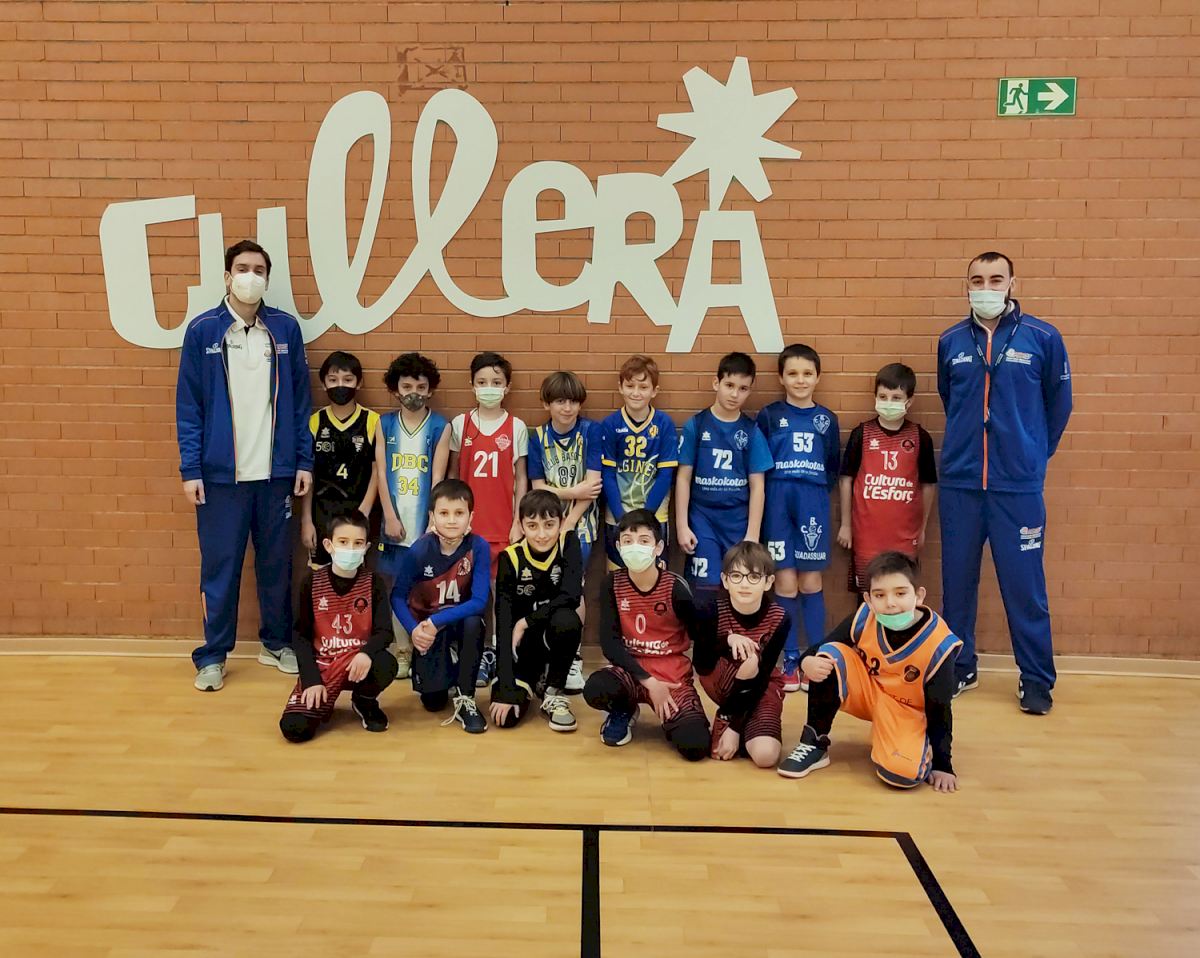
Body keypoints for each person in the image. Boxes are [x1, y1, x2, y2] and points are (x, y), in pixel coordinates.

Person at [937, 252, 1072, 714]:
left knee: (1024, 587)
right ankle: (960, 667)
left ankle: (1035, 679)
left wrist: (1032, 454)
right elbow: (951, 399)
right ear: (966, 285)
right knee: (956, 584)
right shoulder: (951, 341)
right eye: (977, 280)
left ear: (1013, 283)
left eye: (996, 279)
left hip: (1018, 488)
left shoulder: (1043, 337)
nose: (986, 288)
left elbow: (1059, 405)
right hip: (960, 484)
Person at [175, 239, 313, 692]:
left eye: (259, 270)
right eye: (242, 268)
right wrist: (191, 470)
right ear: (227, 276)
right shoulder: (203, 331)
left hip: (276, 475)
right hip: (220, 479)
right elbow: (189, 407)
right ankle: (213, 656)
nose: (250, 276)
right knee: (221, 568)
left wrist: (302, 461)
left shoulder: (285, 329)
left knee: (277, 566)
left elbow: (301, 403)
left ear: (267, 279)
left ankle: (276, 643)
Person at [777, 551, 962, 792]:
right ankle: (814, 743)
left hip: (905, 710)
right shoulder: (865, 617)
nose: (890, 603)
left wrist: (943, 764)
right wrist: (806, 662)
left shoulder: (939, 644)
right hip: (868, 693)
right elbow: (823, 645)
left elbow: (940, 708)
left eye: (900, 593)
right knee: (828, 654)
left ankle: (906, 740)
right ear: (869, 599)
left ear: (918, 596)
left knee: (902, 776)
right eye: (880, 595)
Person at [582, 509, 710, 761]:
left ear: (658, 547)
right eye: (628, 541)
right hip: (632, 671)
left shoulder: (675, 587)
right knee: (596, 687)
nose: (635, 547)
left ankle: (673, 718)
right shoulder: (612, 583)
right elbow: (610, 644)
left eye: (643, 540)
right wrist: (649, 682)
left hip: (671, 676)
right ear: (618, 547)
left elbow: (702, 633)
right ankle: (625, 709)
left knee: (694, 744)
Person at [756, 343, 840, 693]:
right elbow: (759, 464)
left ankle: (816, 656)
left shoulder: (827, 419)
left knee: (810, 582)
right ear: (781, 377)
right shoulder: (769, 415)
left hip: (812, 501)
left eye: (807, 373)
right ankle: (790, 658)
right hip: (777, 500)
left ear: (818, 377)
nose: (800, 380)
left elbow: (832, 466)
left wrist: (814, 494)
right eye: (792, 373)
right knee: (785, 583)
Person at [279, 511, 398, 742]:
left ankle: (364, 700)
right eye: (343, 542)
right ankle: (323, 699)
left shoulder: (373, 583)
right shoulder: (311, 582)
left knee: (386, 663)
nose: (350, 549)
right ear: (329, 545)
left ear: (366, 547)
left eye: (358, 543)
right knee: (294, 729)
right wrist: (311, 681)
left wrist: (366, 653)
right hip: (323, 665)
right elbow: (300, 636)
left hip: (356, 662)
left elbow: (385, 632)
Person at [447, 350, 528, 688]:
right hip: (468, 530)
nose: (489, 387)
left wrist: (518, 521)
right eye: (482, 382)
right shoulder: (460, 424)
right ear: (472, 385)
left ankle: (498, 652)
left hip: (503, 527)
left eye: (496, 382)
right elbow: (453, 475)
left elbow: (521, 477)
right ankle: (474, 654)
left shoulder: (517, 426)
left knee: (502, 598)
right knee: (471, 598)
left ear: (507, 387)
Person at [390, 479, 491, 733]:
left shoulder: (478, 546)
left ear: (471, 517)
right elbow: (398, 597)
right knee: (433, 702)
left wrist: (436, 621)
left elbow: (479, 601)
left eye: (459, 513)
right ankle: (450, 667)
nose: (452, 520)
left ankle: (466, 696)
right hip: (428, 631)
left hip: (456, 623)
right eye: (444, 513)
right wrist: (414, 630)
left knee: (473, 623)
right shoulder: (419, 550)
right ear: (432, 516)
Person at [675, 351, 773, 604]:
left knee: (739, 588)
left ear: (750, 391)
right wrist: (682, 525)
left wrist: (752, 534)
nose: (734, 394)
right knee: (704, 591)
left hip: (738, 521)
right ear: (715, 383)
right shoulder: (696, 425)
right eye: (729, 385)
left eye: (743, 388)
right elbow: (683, 478)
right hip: (703, 519)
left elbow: (758, 486)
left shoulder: (751, 431)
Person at [375, 352, 451, 680]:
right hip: (394, 521)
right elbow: (381, 473)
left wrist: (432, 522)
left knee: (428, 587)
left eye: (420, 387)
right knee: (397, 588)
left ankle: (429, 649)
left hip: (424, 522)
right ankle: (402, 650)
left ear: (430, 389)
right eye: (407, 386)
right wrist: (389, 516)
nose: (414, 393)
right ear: (395, 389)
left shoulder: (440, 426)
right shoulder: (384, 424)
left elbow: (439, 479)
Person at [527, 370, 602, 693]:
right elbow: (537, 488)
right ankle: (546, 655)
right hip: (544, 526)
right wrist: (573, 491)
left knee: (574, 588)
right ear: (547, 404)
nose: (567, 408)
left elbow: (593, 487)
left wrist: (569, 523)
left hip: (580, 525)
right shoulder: (537, 438)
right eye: (560, 401)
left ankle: (572, 658)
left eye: (573, 401)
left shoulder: (591, 432)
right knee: (543, 589)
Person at [489, 490, 585, 733]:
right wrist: (506, 685)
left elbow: (572, 596)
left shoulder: (568, 544)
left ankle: (553, 690)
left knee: (568, 619)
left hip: (552, 635)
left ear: (561, 523)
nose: (541, 534)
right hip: (524, 648)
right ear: (521, 526)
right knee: (506, 718)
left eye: (549, 525)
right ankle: (532, 680)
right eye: (532, 526)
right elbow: (503, 621)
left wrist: (526, 621)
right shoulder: (510, 558)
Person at [837, 362, 937, 591]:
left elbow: (928, 486)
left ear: (909, 401)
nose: (888, 402)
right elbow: (846, 480)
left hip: (905, 538)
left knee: (901, 594)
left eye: (896, 397)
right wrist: (845, 525)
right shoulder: (862, 433)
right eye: (883, 396)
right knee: (867, 596)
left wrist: (922, 528)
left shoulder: (920, 437)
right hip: (866, 536)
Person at [693, 542, 789, 768]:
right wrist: (728, 640)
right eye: (736, 576)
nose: (744, 584)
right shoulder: (711, 609)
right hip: (721, 680)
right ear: (725, 580)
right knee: (748, 661)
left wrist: (734, 728)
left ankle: (739, 722)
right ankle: (728, 716)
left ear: (768, 582)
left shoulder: (780, 618)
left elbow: (763, 676)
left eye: (754, 577)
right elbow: (701, 664)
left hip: (760, 688)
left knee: (766, 757)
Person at [301, 351, 379, 568]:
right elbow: (308, 475)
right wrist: (306, 519)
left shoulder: (372, 421)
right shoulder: (315, 422)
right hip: (322, 513)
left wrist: (363, 512)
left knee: (354, 573)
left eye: (348, 379)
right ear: (323, 384)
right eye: (333, 380)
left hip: (357, 510)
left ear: (359, 383)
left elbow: (377, 472)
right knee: (321, 575)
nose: (340, 385)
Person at [599, 356, 678, 569]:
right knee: (617, 574)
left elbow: (665, 476)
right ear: (620, 387)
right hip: (618, 512)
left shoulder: (664, 424)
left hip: (654, 513)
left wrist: (646, 516)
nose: (636, 392)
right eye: (630, 386)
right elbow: (607, 475)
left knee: (655, 573)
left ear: (654, 391)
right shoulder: (610, 424)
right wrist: (620, 515)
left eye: (643, 387)